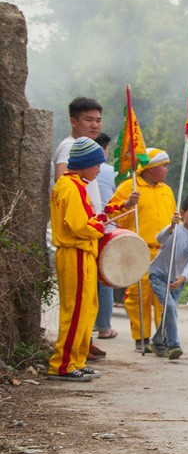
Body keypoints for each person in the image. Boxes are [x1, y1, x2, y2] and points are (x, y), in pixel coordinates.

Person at [52, 97, 109, 360]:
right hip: (74, 248)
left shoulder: (77, 181)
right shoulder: (70, 180)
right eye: (89, 119)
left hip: (82, 249)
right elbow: (76, 223)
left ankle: (76, 358)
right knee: (75, 310)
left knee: (85, 307)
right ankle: (64, 363)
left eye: (98, 119)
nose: (95, 124)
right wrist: (99, 225)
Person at [108, 148, 176, 351]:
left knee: (163, 298)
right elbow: (112, 214)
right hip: (138, 251)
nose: (166, 169)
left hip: (163, 252)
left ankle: (161, 337)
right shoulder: (130, 187)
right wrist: (128, 204)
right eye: (163, 165)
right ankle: (141, 337)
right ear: (151, 168)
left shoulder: (167, 190)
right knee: (139, 296)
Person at [149, 194, 188, 360]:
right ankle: (174, 345)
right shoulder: (175, 228)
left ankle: (158, 341)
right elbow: (159, 239)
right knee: (170, 307)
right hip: (159, 275)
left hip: (177, 280)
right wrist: (170, 227)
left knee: (169, 311)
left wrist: (183, 277)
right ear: (182, 213)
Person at [93, 133, 119, 340]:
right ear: (104, 149)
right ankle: (104, 328)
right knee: (105, 280)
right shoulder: (111, 172)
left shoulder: (72, 172)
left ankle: (88, 327)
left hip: (86, 231)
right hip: (108, 232)